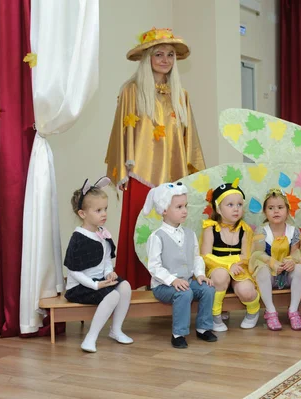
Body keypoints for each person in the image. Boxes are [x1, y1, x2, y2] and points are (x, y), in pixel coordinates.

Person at [105, 27, 205, 289]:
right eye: (158, 54)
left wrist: (196, 175)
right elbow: (121, 133)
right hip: (141, 173)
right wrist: (122, 170)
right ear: (147, 57)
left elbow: (190, 139)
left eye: (170, 54)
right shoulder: (131, 91)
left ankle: (172, 284)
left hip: (173, 178)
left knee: (174, 233)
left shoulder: (181, 95)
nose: (165, 59)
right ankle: (136, 283)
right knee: (140, 230)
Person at [142, 182, 217, 348]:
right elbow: (154, 267)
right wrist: (172, 280)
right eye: (179, 207)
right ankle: (178, 334)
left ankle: (203, 328)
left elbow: (196, 257)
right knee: (184, 293)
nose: (185, 210)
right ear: (164, 210)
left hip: (188, 280)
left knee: (208, 289)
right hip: (163, 285)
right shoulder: (157, 237)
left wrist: (200, 275)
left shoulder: (189, 234)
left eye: (185, 206)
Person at [64, 177, 133, 353]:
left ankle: (115, 330)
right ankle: (91, 337)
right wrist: (95, 285)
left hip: (100, 281)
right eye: (98, 210)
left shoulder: (102, 233)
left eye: (105, 209)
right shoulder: (78, 238)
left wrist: (110, 273)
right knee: (113, 296)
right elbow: (73, 271)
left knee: (124, 287)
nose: (104, 214)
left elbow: (107, 260)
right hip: (80, 286)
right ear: (82, 214)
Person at [200, 179, 260, 332]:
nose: (236, 209)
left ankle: (253, 311)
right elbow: (205, 255)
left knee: (246, 290)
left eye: (239, 205)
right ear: (218, 209)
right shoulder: (210, 228)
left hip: (240, 267)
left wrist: (235, 266)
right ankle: (215, 315)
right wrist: (227, 266)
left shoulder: (245, 230)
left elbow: (246, 256)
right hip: (217, 267)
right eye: (230, 205)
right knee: (220, 276)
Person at [249, 189, 301, 331]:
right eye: (271, 208)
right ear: (265, 212)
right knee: (262, 271)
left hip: (286, 274)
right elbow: (258, 253)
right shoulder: (262, 231)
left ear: (287, 211)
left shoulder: (293, 231)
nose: (276, 211)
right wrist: (272, 263)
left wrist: (291, 261)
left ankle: (293, 310)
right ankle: (270, 311)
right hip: (270, 275)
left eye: (280, 208)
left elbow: (296, 252)